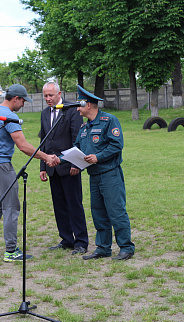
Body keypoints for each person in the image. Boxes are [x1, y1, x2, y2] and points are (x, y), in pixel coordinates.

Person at [0, 84, 57, 262]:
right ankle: (11, 251)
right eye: (23, 101)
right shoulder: (10, 116)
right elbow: (23, 146)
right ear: (15, 99)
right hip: (1, 166)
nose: (23, 105)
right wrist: (46, 157)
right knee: (11, 207)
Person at [56, 85, 135, 261]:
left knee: (116, 211)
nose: (77, 109)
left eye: (80, 105)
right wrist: (58, 159)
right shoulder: (85, 128)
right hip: (94, 176)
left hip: (110, 174)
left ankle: (126, 247)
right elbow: (76, 149)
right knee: (98, 212)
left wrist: (98, 157)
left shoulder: (109, 120)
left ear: (89, 105)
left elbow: (116, 145)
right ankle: (103, 247)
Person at [40, 81, 88, 255]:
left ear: (59, 93)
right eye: (45, 95)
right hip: (52, 167)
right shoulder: (45, 113)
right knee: (59, 205)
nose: (48, 99)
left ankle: (81, 241)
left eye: (51, 95)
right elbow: (44, 140)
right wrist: (43, 166)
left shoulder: (72, 110)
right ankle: (66, 239)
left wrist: (76, 164)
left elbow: (79, 139)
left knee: (74, 204)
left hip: (69, 167)